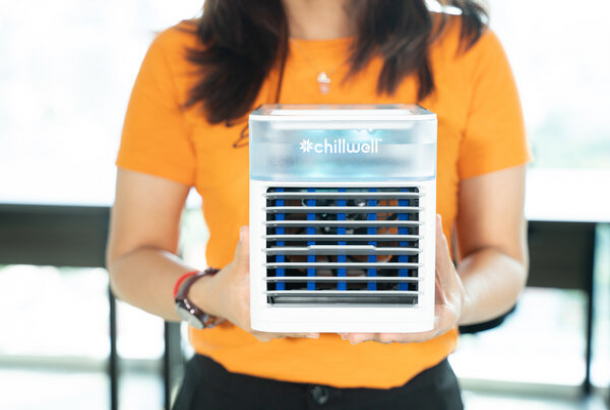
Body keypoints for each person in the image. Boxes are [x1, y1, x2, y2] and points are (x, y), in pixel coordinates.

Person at [106, 0, 530, 409]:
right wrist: (211, 296)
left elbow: (503, 258)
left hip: (410, 394)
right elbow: (131, 257)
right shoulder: (181, 54)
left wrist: (456, 301)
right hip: (230, 391)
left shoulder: (465, 48)